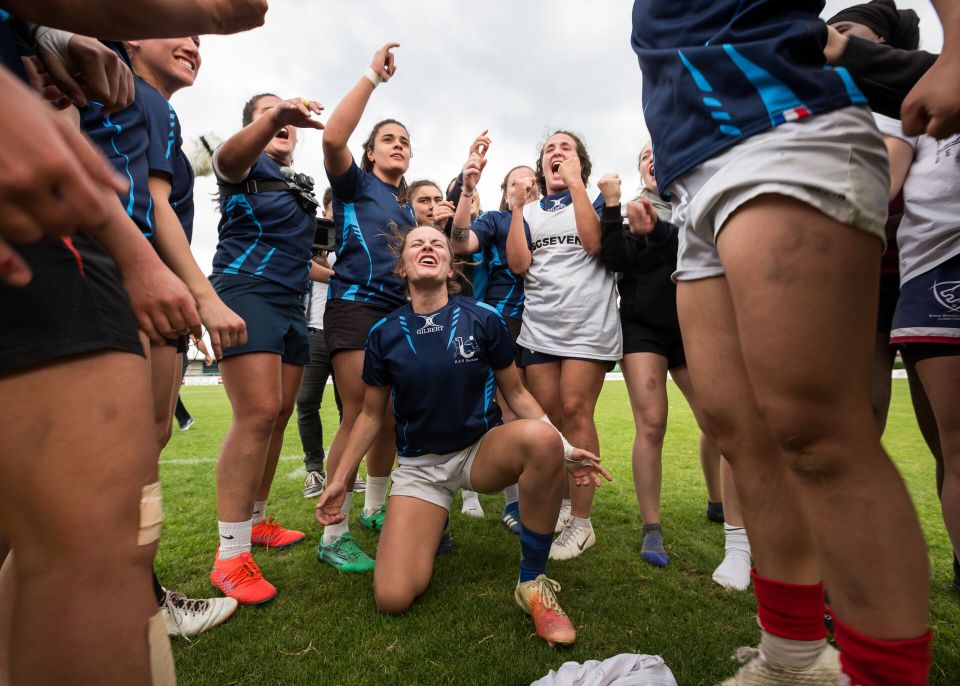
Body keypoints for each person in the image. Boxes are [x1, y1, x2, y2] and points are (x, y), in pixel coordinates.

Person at [631, 1, 941, 683]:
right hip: (695, 176)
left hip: (783, 127)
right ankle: (793, 661)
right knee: (740, 435)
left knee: (815, 432)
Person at [315, 224, 610, 647]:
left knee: (541, 440)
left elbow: (518, 394)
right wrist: (340, 481)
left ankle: (532, 581)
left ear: (451, 265)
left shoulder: (483, 318)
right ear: (402, 267)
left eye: (438, 243)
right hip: (419, 467)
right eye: (417, 243)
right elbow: (368, 417)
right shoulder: (383, 334)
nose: (429, 247)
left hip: (479, 451)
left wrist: (564, 448)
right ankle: (433, 525)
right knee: (392, 597)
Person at [207, 91, 325, 604]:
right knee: (255, 414)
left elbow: (301, 257)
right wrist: (275, 113)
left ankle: (255, 523)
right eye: (267, 113)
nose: (281, 121)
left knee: (278, 415)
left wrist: (339, 273)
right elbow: (224, 158)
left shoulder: (298, 182)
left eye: (286, 117)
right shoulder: (241, 161)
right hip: (245, 291)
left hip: (290, 301)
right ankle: (230, 555)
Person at [595, 149, 723, 568]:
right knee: (651, 424)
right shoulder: (634, 208)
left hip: (693, 326)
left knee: (717, 420)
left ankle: (718, 500)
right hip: (641, 330)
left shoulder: (698, 202)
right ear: (640, 168)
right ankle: (652, 527)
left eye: (660, 152)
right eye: (646, 155)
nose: (654, 159)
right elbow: (615, 262)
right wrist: (617, 213)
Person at [317, 43, 416, 572]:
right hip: (355, 309)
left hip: (398, 316)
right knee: (357, 415)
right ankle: (333, 534)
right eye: (388, 140)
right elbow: (333, 137)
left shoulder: (404, 204)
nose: (398, 146)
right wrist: (371, 78)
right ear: (371, 153)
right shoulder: (354, 184)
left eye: (404, 142)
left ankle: (375, 509)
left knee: (392, 418)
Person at [505, 130, 621, 561]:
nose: (556, 153)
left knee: (575, 411)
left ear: (581, 162)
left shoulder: (594, 203)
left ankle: (582, 523)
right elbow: (519, 264)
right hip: (541, 328)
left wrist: (576, 184)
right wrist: (517, 208)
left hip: (588, 326)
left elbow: (595, 245)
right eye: (549, 149)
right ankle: (564, 504)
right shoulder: (531, 210)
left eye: (565, 148)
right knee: (550, 422)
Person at [877, 111, 960, 593]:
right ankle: (846, 575)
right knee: (859, 428)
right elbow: (884, 181)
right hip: (904, 276)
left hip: (920, 271)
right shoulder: (897, 110)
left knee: (946, 440)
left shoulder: (914, 87)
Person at [451, 137, 541, 534]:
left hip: (547, 327)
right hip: (503, 322)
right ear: (505, 195)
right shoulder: (496, 221)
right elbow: (460, 241)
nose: (526, 188)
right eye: (516, 184)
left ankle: (537, 495)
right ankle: (498, 499)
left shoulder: (556, 220)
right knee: (498, 408)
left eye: (532, 182)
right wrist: (468, 191)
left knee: (531, 411)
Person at [298, 188, 343, 498]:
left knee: (350, 407)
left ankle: (344, 470)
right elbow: (301, 270)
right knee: (306, 402)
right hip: (314, 331)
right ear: (325, 213)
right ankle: (314, 468)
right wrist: (322, 261)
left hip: (346, 334)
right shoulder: (308, 241)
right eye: (333, 209)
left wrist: (332, 271)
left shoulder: (356, 243)